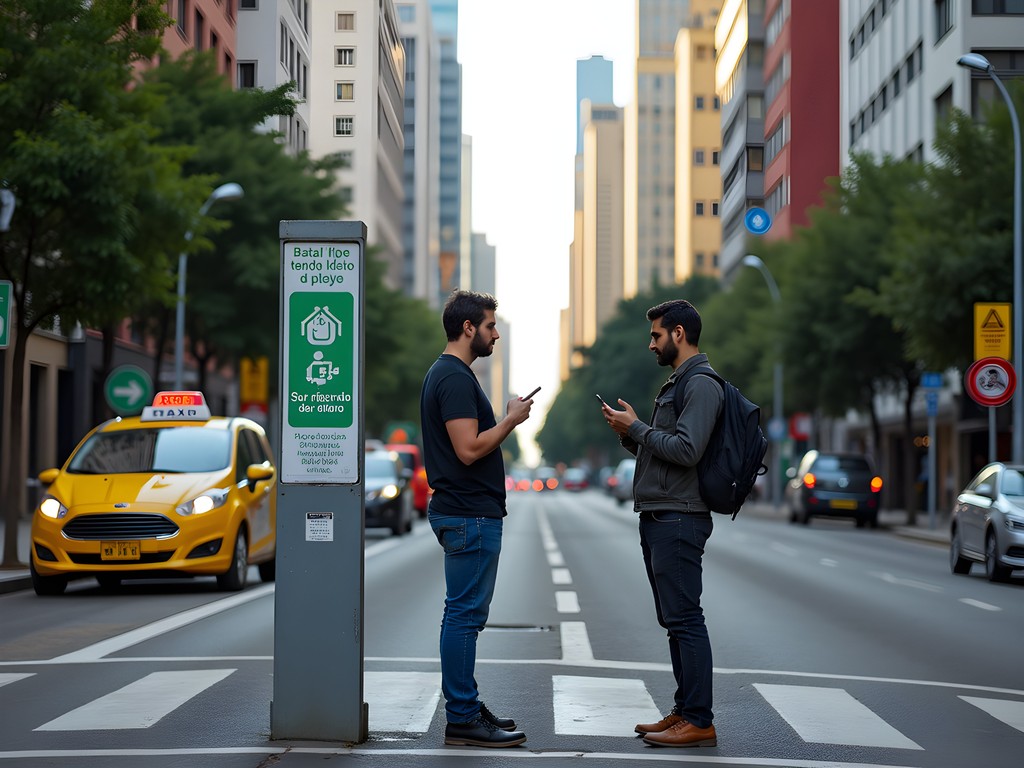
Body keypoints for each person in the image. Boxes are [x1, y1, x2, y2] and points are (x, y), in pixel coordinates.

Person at [600, 299, 723, 748]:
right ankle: (684, 710)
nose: (650, 343)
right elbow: (668, 450)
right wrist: (629, 434)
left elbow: (688, 450)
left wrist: (637, 428)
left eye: (656, 335)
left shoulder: (701, 384)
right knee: (674, 619)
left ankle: (699, 720)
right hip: (661, 513)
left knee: (686, 618)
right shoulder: (679, 382)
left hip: (680, 517)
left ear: (678, 334)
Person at [420, 289, 535, 748]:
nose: (495, 334)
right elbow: (468, 449)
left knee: (462, 615)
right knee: (464, 616)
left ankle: (466, 706)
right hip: (469, 513)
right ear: (468, 328)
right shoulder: (452, 377)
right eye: (490, 326)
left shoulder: (451, 374)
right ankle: (463, 716)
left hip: (466, 512)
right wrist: (511, 420)